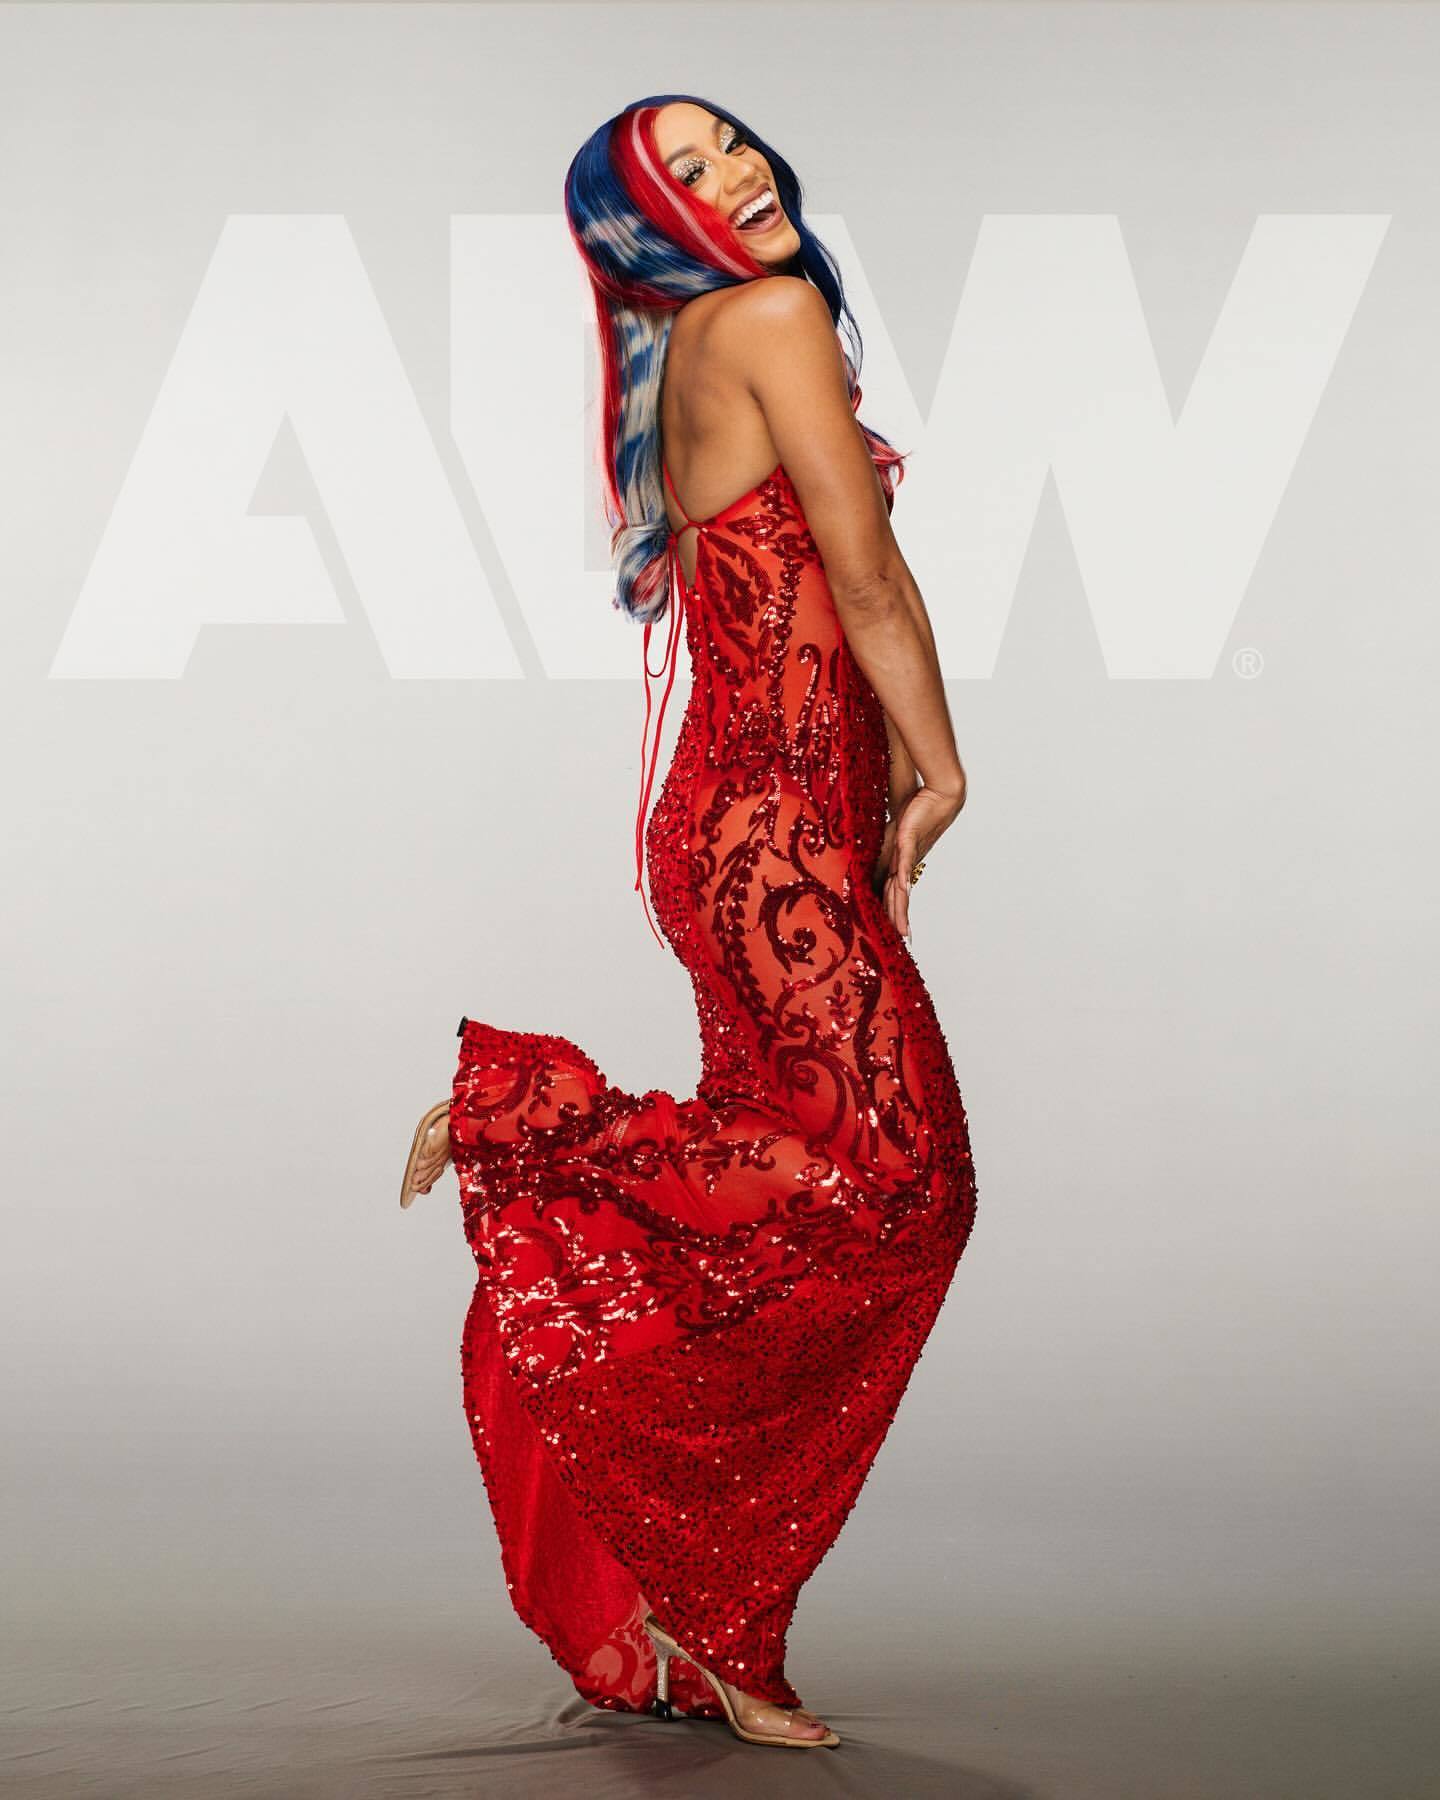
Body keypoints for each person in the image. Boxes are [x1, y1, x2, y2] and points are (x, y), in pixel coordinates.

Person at [399, 93, 979, 1752]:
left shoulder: (698, 341)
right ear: (648, 232)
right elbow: (862, 576)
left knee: (815, 1181)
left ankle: (701, 1602)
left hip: (758, 827)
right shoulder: (767, 315)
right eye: (691, 173)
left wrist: (878, 781)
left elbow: (829, 596)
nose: (741, 173)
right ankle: (528, 1118)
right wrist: (942, 766)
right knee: (903, 1185)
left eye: (732, 144)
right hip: (766, 840)